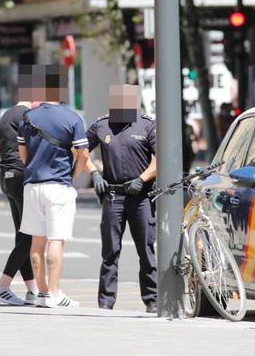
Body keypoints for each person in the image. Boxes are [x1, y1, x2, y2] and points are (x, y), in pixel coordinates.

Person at [86, 84, 158, 313]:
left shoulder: (147, 125)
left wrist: (143, 178)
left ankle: (152, 300)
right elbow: (79, 150)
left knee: (146, 250)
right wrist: (94, 172)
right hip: (114, 196)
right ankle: (105, 302)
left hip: (141, 197)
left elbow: (160, 160)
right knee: (110, 251)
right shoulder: (102, 125)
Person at [18, 92, 89, 308]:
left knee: (36, 242)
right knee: (56, 240)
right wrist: (74, 175)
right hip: (58, 186)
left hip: (32, 185)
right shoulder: (72, 118)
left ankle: (42, 293)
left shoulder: (28, 117)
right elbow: (83, 155)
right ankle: (55, 293)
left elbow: (23, 153)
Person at [0, 101, 39, 306]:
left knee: (22, 235)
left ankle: (32, 290)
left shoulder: (7, 114)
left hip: (7, 177)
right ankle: (2, 286)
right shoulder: (26, 116)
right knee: (29, 236)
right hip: (20, 176)